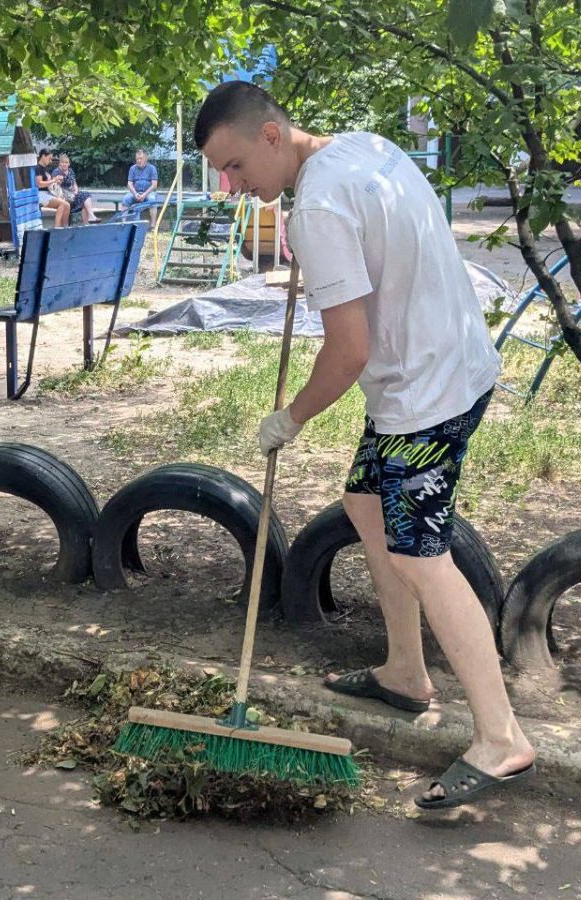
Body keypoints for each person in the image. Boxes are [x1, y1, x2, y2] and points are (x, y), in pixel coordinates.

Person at [193, 81, 536, 811]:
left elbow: (348, 353)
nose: (231, 186)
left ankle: (502, 739)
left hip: (424, 394)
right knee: (365, 502)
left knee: (421, 551)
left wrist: (290, 418)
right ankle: (406, 674)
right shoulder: (361, 148)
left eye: (233, 166)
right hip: (449, 365)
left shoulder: (315, 207)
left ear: (272, 136)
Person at [57, 153, 100, 224]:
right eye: (62, 162)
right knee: (83, 199)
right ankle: (89, 219)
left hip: (72, 194)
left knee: (86, 195)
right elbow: (56, 187)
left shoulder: (70, 171)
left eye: (66, 162)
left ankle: (89, 219)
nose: (64, 164)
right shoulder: (57, 172)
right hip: (63, 196)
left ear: (69, 164)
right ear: (60, 164)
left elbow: (74, 183)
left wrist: (76, 191)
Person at [34, 149, 70, 227]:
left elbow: (49, 184)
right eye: (49, 158)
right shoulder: (38, 168)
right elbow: (39, 184)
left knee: (67, 205)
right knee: (62, 204)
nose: (50, 161)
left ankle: (65, 227)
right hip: (41, 194)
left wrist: (56, 181)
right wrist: (53, 180)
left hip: (47, 193)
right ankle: (57, 228)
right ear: (43, 156)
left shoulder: (45, 168)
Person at [121, 149, 159, 213]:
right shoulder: (132, 168)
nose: (138, 160)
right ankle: (123, 222)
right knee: (125, 199)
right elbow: (129, 184)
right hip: (135, 192)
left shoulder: (152, 168)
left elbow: (154, 185)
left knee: (152, 200)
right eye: (137, 159)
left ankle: (153, 223)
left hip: (149, 193)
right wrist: (135, 193)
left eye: (141, 158)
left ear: (146, 159)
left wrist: (144, 194)